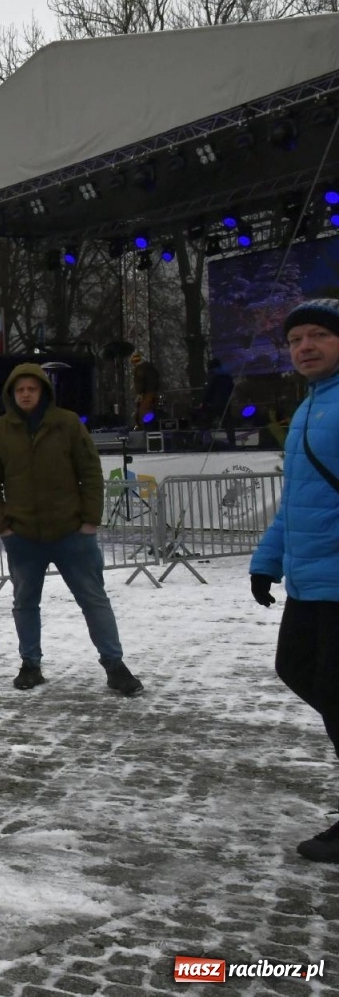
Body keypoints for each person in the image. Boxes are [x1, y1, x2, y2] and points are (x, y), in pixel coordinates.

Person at [0, 363, 144, 696]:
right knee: (25, 604)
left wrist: (90, 520)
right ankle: (30, 665)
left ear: (43, 391)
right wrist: (3, 524)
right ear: (12, 394)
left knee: (94, 600)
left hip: (72, 534)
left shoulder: (67, 424)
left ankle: (115, 666)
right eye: (20, 389)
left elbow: (91, 473)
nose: (26, 394)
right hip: (22, 536)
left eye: (32, 388)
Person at [250, 297, 339, 864]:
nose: (304, 347)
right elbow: (298, 503)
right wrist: (267, 559)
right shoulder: (310, 407)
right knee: (298, 668)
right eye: (295, 339)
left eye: (319, 336)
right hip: (313, 582)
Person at [131, 352, 162, 429]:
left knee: (143, 411)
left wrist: (139, 393)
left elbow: (139, 384)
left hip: (147, 394)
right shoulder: (150, 367)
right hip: (154, 393)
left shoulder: (139, 369)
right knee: (152, 411)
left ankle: (145, 428)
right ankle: (153, 427)